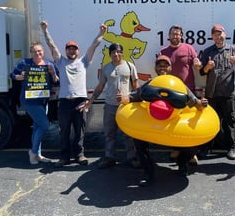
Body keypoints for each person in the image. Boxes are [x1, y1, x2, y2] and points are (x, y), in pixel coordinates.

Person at [119, 55, 208, 186]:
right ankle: (148, 173)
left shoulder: (177, 84)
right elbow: (135, 96)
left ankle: (182, 164)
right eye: (160, 65)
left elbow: (194, 101)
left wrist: (201, 103)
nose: (162, 68)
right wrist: (125, 98)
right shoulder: (151, 83)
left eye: (165, 65)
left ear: (170, 68)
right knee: (139, 144)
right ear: (156, 68)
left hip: (172, 123)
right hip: (151, 122)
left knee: (192, 146)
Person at [40, 21, 107, 167]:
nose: (72, 51)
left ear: (78, 50)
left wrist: (101, 34)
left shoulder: (84, 61)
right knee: (63, 131)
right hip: (64, 102)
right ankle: (64, 157)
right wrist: (45, 31)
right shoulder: (60, 61)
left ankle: (79, 155)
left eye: (74, 49)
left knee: (79, 131)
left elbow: (93, 45)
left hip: (81, 101)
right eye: (69, 49)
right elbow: (52, 46)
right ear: (66, 51)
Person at [84, 43, 140, 169]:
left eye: (118, 51)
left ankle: (132, 157)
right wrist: (91, 99)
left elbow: (136, 86)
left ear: (122, 53)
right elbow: (100, 87)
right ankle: (110, 158)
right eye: (113, 52)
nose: (116, 54)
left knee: (129, 134)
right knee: (109, 133)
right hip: (110, 105)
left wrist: (136, 102)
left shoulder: (130, 66)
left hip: (126, 106)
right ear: (110, 55)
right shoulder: (106, 68)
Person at [10, 41, 58, 165]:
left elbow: (56, 81)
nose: (37, 53)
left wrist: (53, 74)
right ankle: (33, 151)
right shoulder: (25, 63)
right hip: (29, 100)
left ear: (43, 52)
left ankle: (38, 155)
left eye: (39, 51)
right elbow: (12, 75)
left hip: (43, 100)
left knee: (37, 126)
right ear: (31, 53)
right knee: (45, 125)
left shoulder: (49, 64)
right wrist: (20, 76)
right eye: (35, 51)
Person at [159, 25, 201, 164]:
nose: (175, 36)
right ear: (169, 35)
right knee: (173, 123)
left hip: (188, 92)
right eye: (173, 34)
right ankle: (175, 149)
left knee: (190, 124)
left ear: (181, 35)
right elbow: (160, 69)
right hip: (171, 93)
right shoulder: (163, 51)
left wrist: (197, 64)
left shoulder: (189, 48)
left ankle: (192, 153)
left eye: (177, 34)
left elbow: (196, 64)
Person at [199, 24, 235, 160]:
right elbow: (201, 72)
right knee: (210, 122)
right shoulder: (207, 51)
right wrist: (208, 67)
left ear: (225, 34)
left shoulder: (233, 49)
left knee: (230, 121)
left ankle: (231, 148)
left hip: (228, 93)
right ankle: (207, 147)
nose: (218, 36)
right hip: (212, 93)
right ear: (212, 37)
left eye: (220, 33)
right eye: (215, 34)